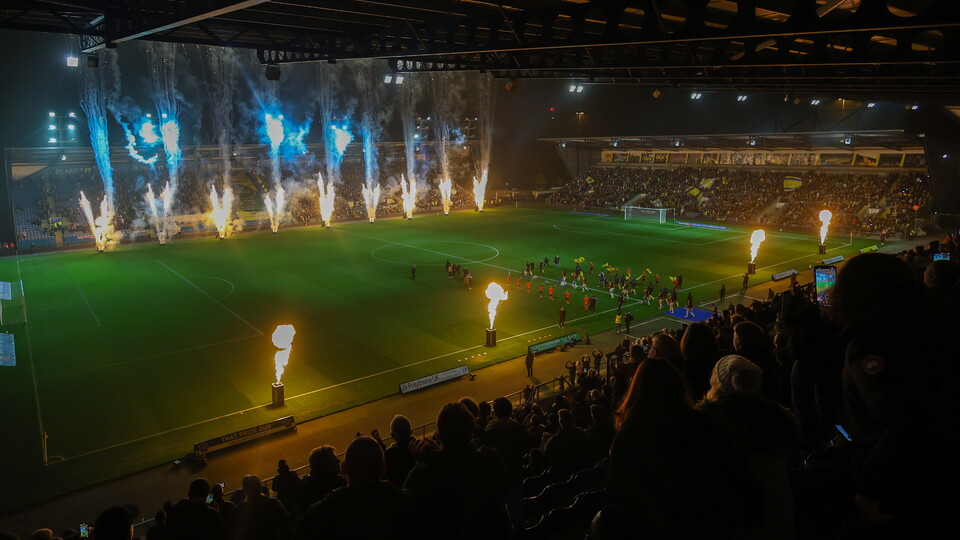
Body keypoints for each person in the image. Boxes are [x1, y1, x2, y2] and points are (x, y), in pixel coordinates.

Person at [599, 358, 763, 538]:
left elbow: (616, 495)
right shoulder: (702, 423)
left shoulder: (628, 437)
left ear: (636, 391)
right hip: (708, 526)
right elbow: (736, 475)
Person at [404, 403, 510, 540]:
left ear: (439, 436)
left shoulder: (425, 475)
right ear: (472, 431)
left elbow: (405, 510)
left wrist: (420, 464)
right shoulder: (490, 457)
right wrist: (439, 455)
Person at [295, 437, 413, 540]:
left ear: (344, 468)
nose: (337, 461)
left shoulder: (318, 514)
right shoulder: (409, 502)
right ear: (383, 468)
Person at [482, 398, 534, 527]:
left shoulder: (490, 431)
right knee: (516, 507)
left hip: (498, 478)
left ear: (496, 412)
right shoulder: (519, 427)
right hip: (516, 472)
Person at [234, 475, 289, 540]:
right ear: (260, 487)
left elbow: (236, 532)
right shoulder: (273, 502)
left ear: (245, 490)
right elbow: (286, 519)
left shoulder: (240, 509)